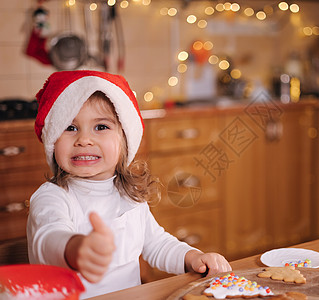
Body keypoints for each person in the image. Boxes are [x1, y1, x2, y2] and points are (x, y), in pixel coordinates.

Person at [27, 70, 231, 299]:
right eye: (70, 128)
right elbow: (48, 237)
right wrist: (75, 248)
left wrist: (192, 257)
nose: (84, 139)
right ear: (53, 141)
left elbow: (157, 244)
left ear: (124, 141)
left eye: (101, 127)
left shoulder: (129, 194)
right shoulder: (51, 197)